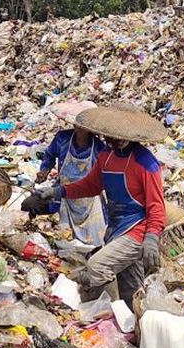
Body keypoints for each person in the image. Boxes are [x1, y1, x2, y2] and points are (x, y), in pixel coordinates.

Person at [26, 104, 168, 301]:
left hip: (137, 230)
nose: (112, 141)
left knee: (96, 266)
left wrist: (151, 238)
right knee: (131, 289)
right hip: (116, 227)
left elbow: (156, 206)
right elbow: (89, 186)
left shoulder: (146, 163)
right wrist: (58, 191)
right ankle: (134, 323)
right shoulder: (106, 156)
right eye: (109, 137)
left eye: (118, 138)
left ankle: (77, 299)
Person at [36, 100, 108, 247]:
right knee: (63, 237)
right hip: (64, 195)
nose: (79, 127)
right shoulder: (63, 138)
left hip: (89, 200)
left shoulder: (99, 148)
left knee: (95, 242)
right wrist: (44, 170)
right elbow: (49, 155)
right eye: (77, 123)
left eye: (83, 125)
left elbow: (104, 173)